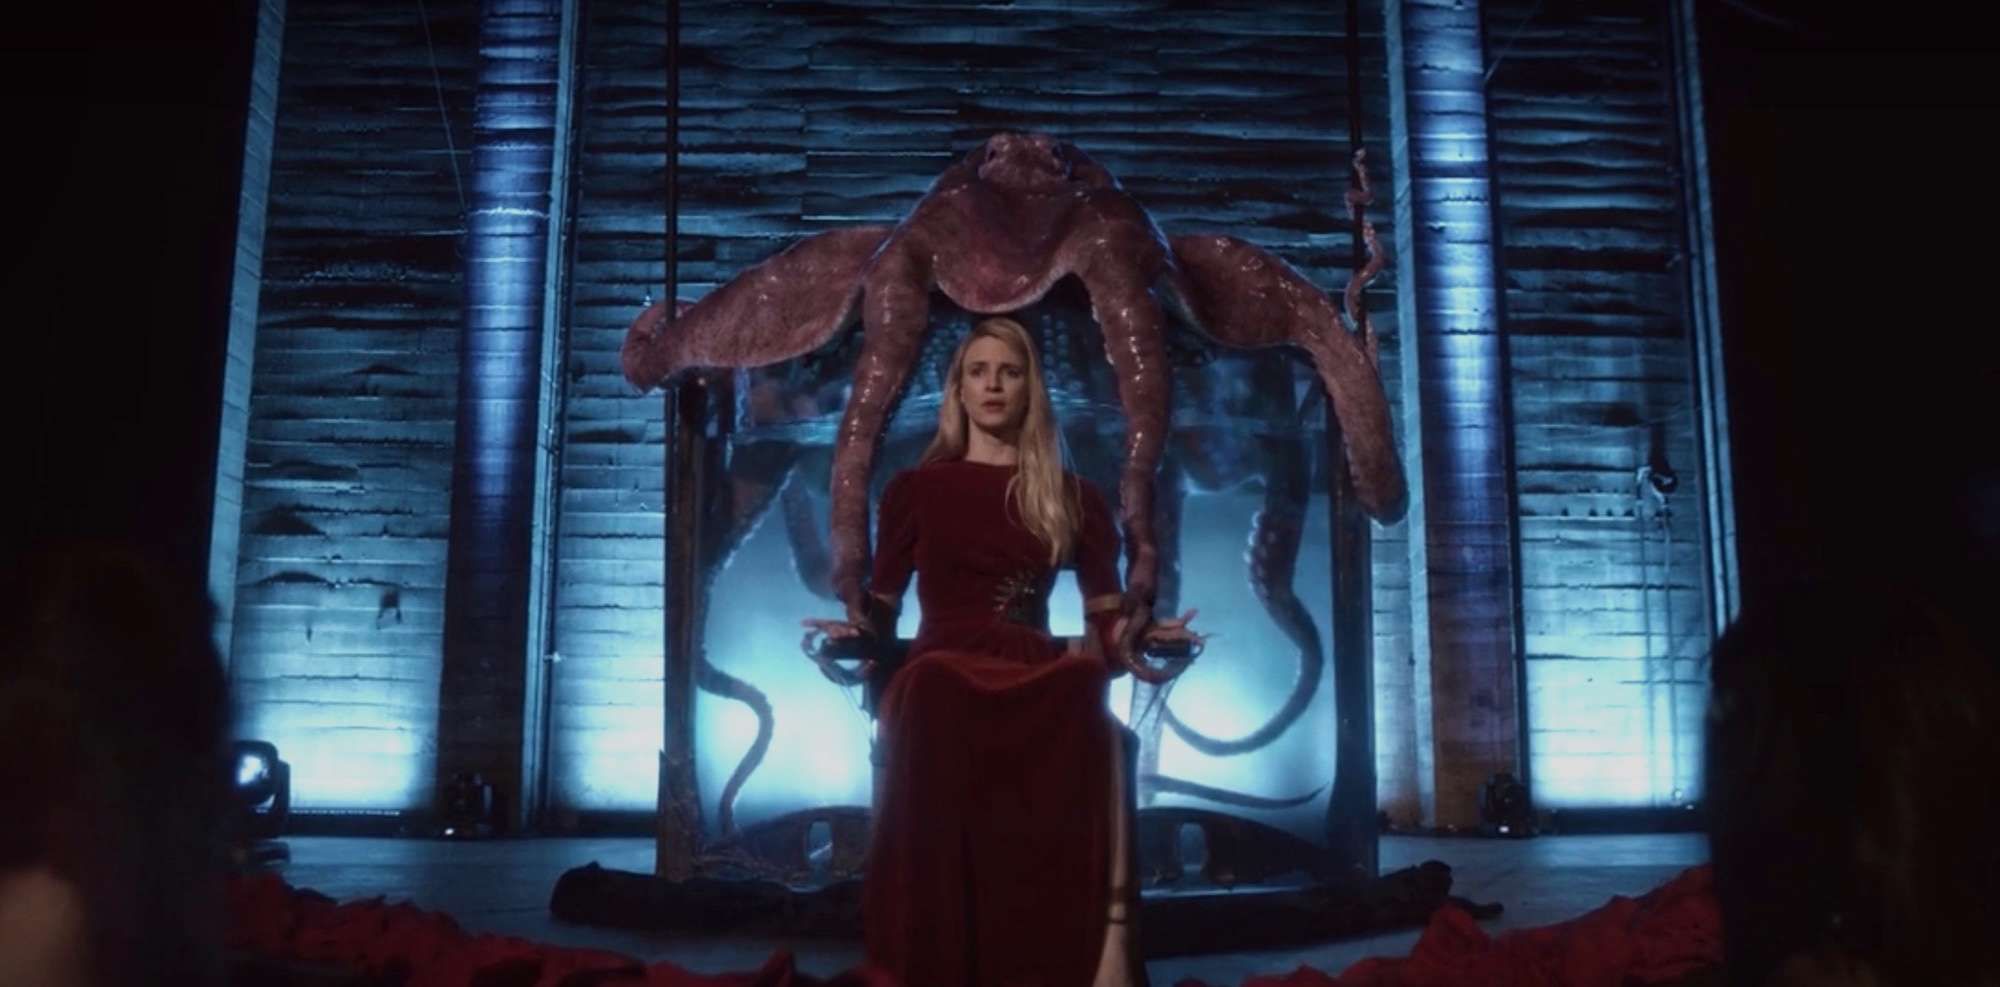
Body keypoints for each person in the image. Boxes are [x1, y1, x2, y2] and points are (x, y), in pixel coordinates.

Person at [804, 316, 1199, 987]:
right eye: (979, 372)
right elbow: (882, 613)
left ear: (1029, 390)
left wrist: (1144, 636)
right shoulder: (915, 491)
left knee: (1080, 682)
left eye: (1009, 373)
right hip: (938, 669)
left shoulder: (1073, 497)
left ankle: (1072, 958)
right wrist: (852, 635)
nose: (993, 385)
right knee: (935, 686)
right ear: (957, 389)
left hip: (1030, 670)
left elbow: (1106, 627)